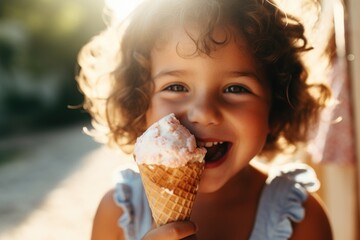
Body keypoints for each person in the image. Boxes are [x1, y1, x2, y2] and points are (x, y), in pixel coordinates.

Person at [76, 0, 334, 239]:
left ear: (275, 105)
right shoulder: (119, 214)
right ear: (139, 103)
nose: (203, 112)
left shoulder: (300, 218)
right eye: (176, 87)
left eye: (235, 88)